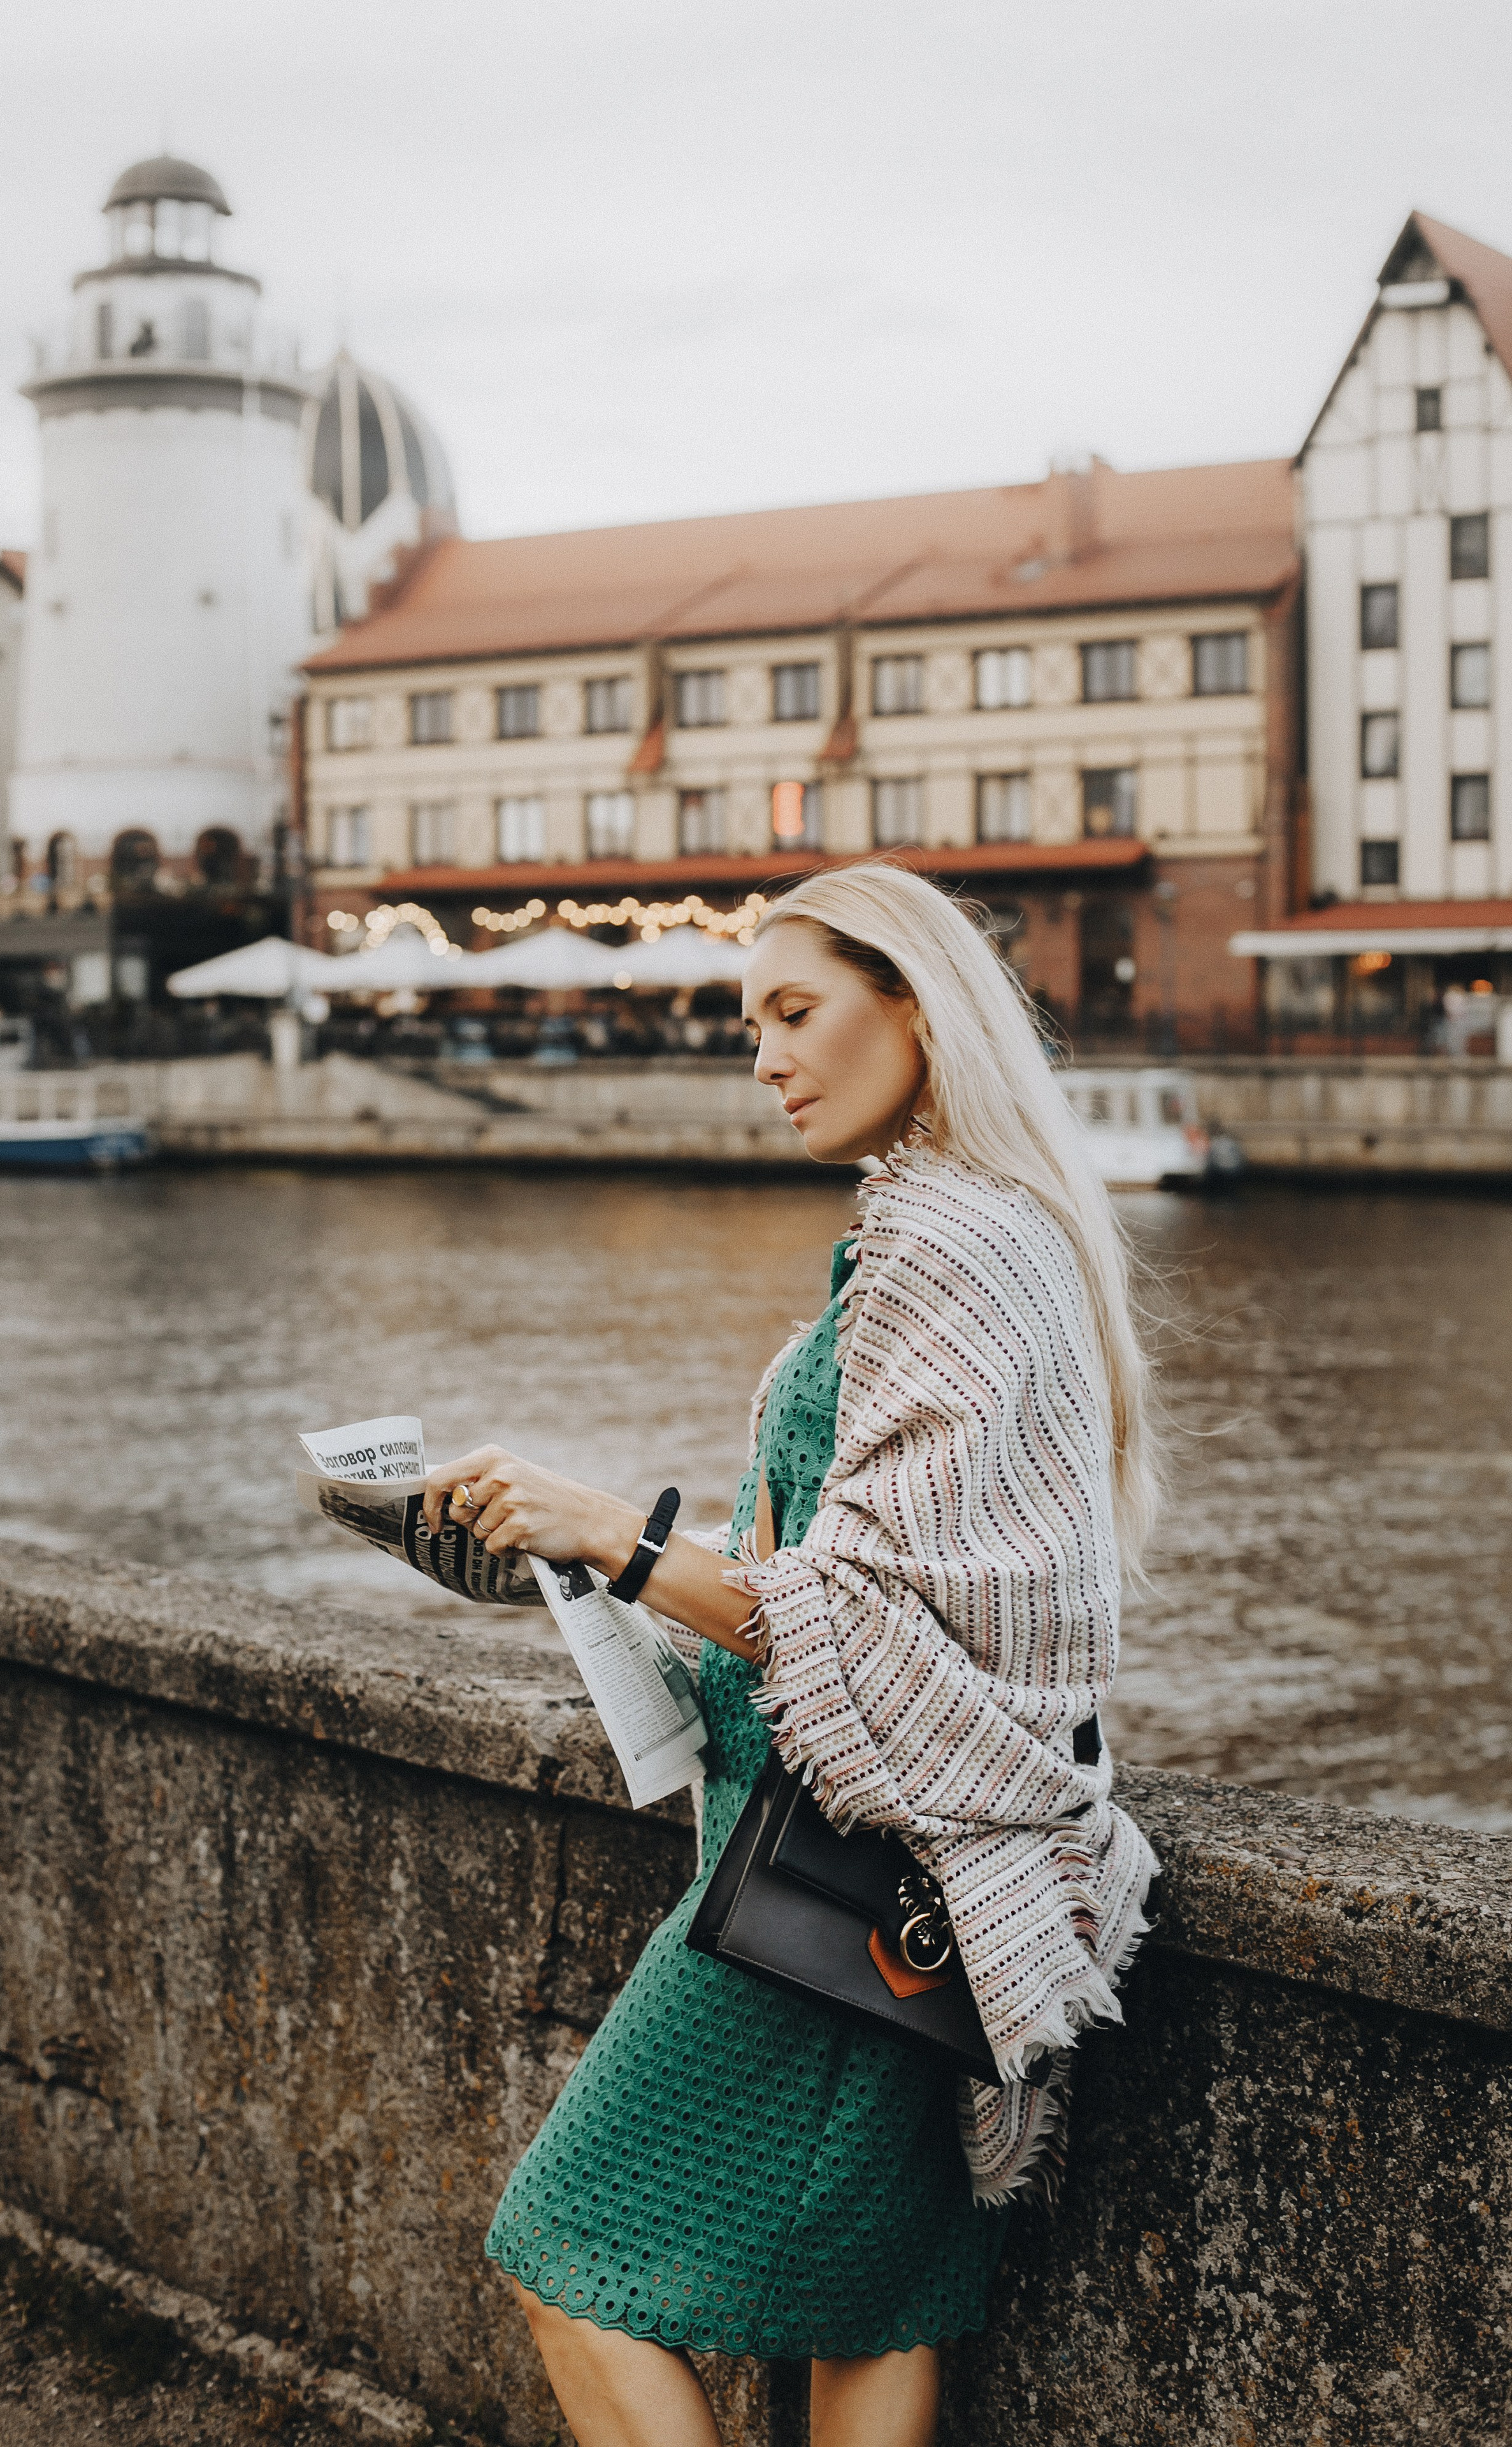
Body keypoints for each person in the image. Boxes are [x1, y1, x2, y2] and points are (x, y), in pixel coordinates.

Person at [423, 865, 1161, 2447]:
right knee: (871, 2310)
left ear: (913, 1002)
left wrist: (619, 1535)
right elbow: (841, 1586)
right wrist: (584, 1569)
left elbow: (877, 1631)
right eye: (747, 1020)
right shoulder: (954, 1228)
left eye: (794, 1011)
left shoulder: (950, 1246)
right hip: (889, 1862)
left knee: (567, 2255)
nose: (762, 1056)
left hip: (838, 1870)